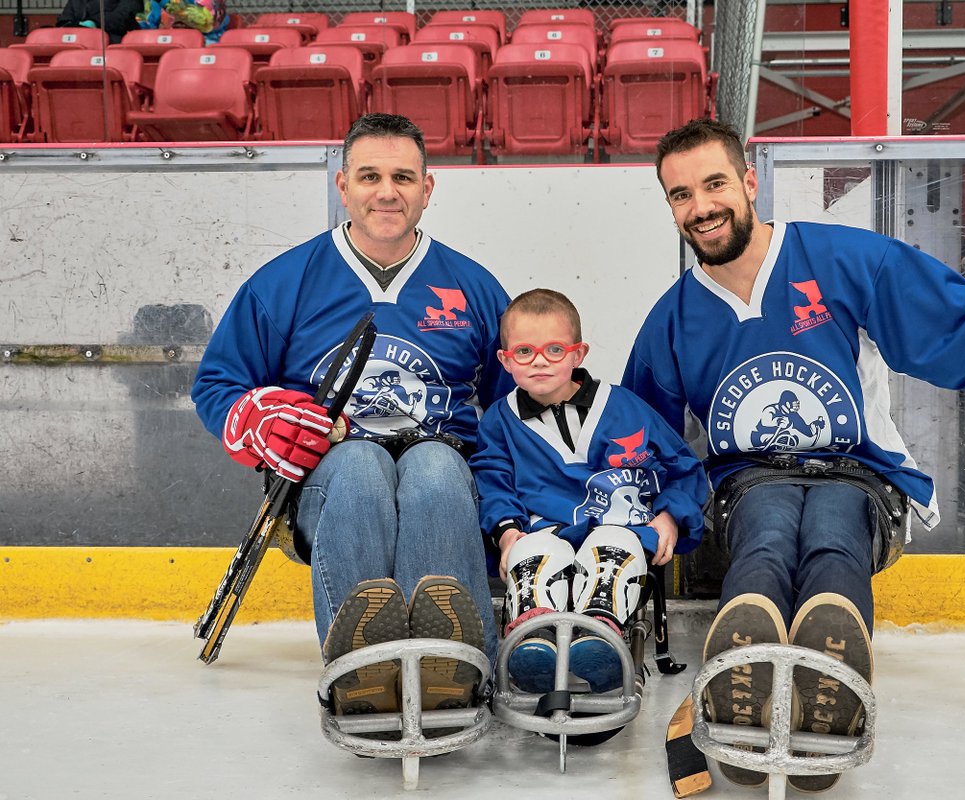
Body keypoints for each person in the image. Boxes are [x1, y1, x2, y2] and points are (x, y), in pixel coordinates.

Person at [622, 118, 965, 790]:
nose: (701, 207)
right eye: (680, 195)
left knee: (832, 537)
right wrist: (638, 520)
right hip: (749, 485)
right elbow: (640, 442)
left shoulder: (842, 260)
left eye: (714, 184)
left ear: (749, 182)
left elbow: (952, 324)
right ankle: (744, 677)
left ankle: (830, 691)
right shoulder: (670, 319)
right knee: (765, 537)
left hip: (857, 475)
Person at [192, 113, 512, 730]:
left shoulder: (473, 287)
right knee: (361, 464)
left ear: (427, 188)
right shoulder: (284, 283)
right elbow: (217, 384)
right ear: (343, 186)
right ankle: (362, 668)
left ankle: (452, 664)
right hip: (330, 486)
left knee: (435, 464)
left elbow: (509, 414)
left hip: (444, 482)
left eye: (403, 177)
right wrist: (256, 418)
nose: (386, 192)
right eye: (369, 177)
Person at [470, 288, 707, 697]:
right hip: (544, 530)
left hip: (622, 529)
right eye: (524, 351)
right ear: (505, 361)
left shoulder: (626, 406)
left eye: (554, 350)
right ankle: (533, 642)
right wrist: (507, 533)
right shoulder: (499, 420)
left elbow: (683, 467)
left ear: (578, 354)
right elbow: (493, 481)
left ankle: (601, 637)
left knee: (613, 543)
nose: (540, 360)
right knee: (531, 551)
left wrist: (669, 517)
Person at [56, 0, 141, 42]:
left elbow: (123, 16)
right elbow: (64, 21)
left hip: (112, 44)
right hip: (77, 44)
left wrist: (94, 22)